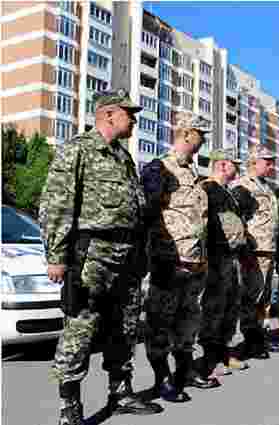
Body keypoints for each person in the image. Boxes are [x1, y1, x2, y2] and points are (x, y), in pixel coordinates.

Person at [41, 89, 162, 425]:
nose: (134, 119)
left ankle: (120, 392)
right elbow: (56, 205)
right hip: (91, 256)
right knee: (80, 329)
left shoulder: (122, 158)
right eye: (129, 113)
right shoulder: (78, 150)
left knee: (124, 327)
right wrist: (56, 256)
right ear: (109, 114)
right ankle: (70, 408)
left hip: (126, 257)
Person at [140, 112, 219, 403]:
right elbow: (147, 213)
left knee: (189, 320)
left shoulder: (194, 175)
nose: (203, 140)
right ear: (186, 134)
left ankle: (184, 371)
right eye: (200, 134)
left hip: (196, 262)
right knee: (160, 322)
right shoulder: (160, 168)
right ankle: (162, 380)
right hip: (169, 262)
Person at [199, 149, 250, 377]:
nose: (237, 169)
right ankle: (209, 358)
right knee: (214, 307)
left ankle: (224, 350)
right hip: (217, 257)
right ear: (221, 165)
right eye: (233, 164)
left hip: (233, 256)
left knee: (231, 305)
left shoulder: (226, 192)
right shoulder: (207, 189)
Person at [231, 146, 279, 357]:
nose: (271, 165)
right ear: (254, 162)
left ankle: (258, 336)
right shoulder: (243, 185)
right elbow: (237, 219)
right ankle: (250, 338)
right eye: (267, 161)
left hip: (268, 249)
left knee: (263, 297)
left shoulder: (267, 187)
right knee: (251, 296)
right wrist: (244, 248)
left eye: (271, 161)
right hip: (253, 250)